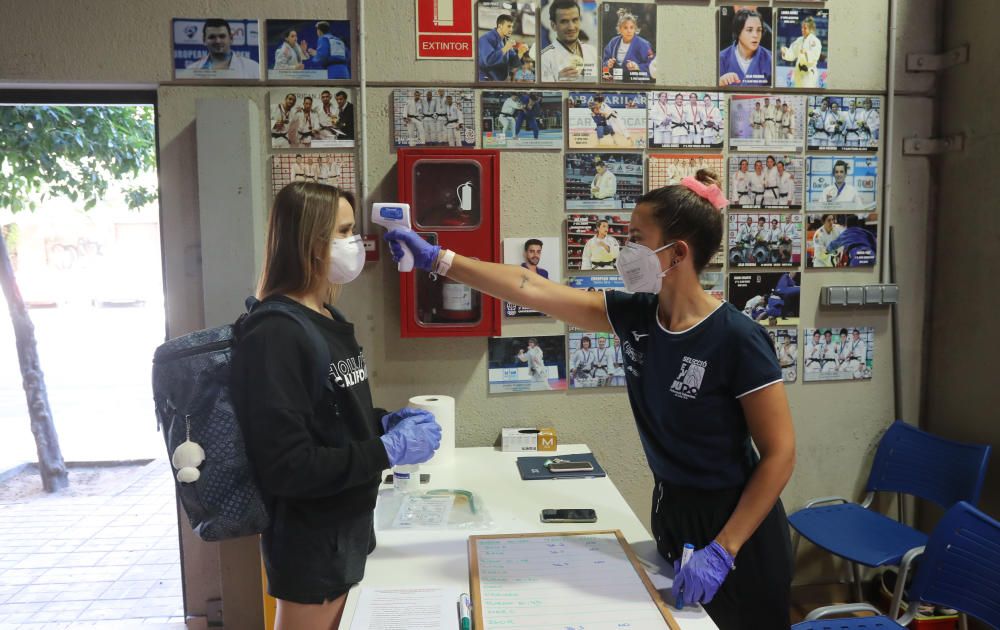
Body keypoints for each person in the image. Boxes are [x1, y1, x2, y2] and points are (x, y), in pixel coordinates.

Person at [383, 170, 796, 629]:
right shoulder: (637, 315)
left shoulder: (737, 337)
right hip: (673, 512)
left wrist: (725, 548)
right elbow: (530, 287)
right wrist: (441, 259)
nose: (625, 250)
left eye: (637, 239)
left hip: (737, 528)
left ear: (678, 252)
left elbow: (780, 454)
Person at [233, 183, 442, 630]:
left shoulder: (328, 317)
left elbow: (330, 416)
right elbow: (287, 466)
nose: (357, 243)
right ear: (310, 242)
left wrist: (383, 420)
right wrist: (387, 450)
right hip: (312, 546)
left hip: (347, 528)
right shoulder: (274, 334)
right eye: (345, 232)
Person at [540, 0, 599, 82]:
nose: (571, 27)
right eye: (564, 21)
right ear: (553, 26)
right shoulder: (544, 59)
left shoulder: (593, 52)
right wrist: (557, 80)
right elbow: (541, 92)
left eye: (575, 20)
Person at [185, 19, 261, 79]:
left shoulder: (253, 68)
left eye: (222, 36)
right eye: (212, 37)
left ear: (231, 39)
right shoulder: (191, 71)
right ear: (204, 40)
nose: (218, 41)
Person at [719, 8, 772, 87]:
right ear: (738, 32)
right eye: (749, 30)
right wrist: (719, 83)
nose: (755, 35)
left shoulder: (770, 59)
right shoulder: (721, 58)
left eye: (759, 30)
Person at [602, 8, 655, 83]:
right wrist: (608, 64)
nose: (629, 31)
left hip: (636, 84)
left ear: (635, 29)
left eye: (631, 27)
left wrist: (638, 66)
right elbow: (604, 63)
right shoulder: (613, 42)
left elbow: (653, 65)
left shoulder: (644, 44)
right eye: (625, 28)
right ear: (620, 29)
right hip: (615, 83)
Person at [478, 14, 527, 81]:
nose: (511, 29)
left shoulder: (505, 40)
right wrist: (505, 48)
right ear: (500, 26)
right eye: (508, 26)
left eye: (512, 27)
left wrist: (520, 53)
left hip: (499, 82)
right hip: (485, 81)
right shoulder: (486, 39)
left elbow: (512, 63)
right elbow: (489, 60)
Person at [780, 16, 822, 88]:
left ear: (810, 29)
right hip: (798, 72)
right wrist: (785, 52)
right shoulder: (799, 40)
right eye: (802, 28)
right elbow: (792, 53)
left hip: (809, 73)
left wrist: (806, 53)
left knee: (807, 95)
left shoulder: (815, 41)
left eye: (805, 28)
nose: (802, 30)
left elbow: (815, 56)